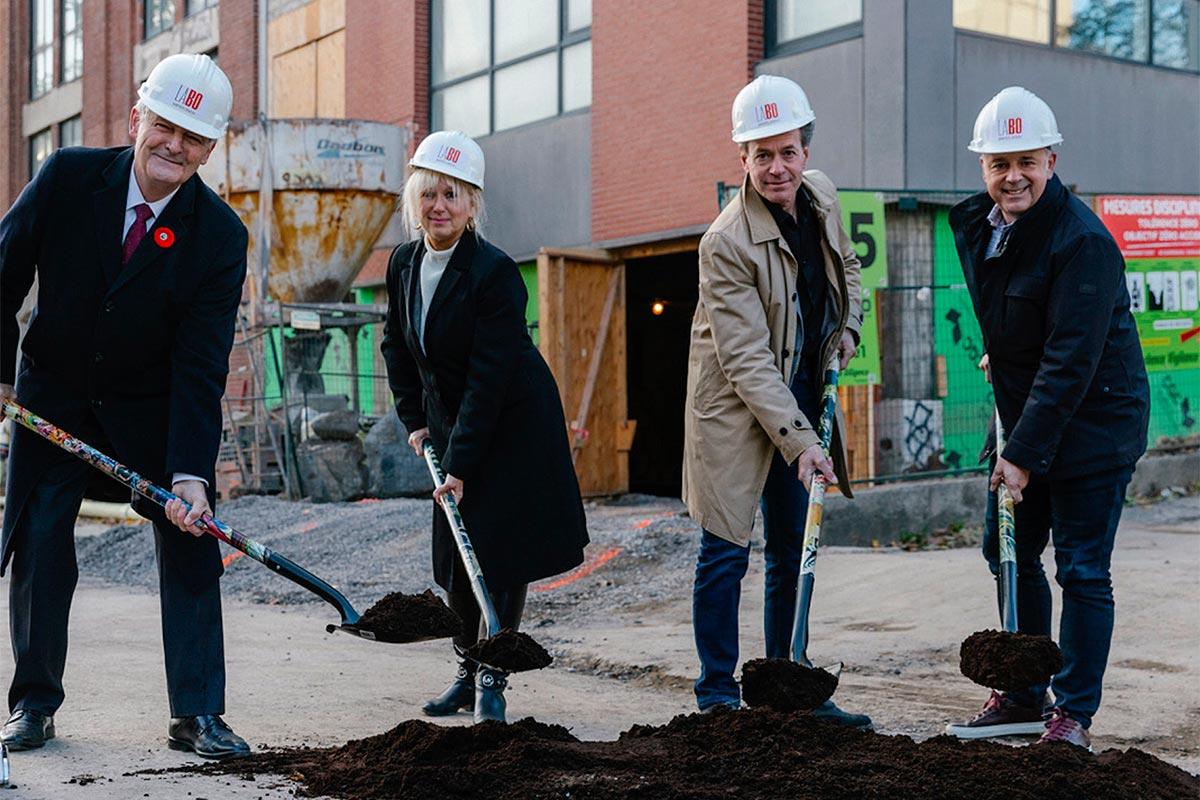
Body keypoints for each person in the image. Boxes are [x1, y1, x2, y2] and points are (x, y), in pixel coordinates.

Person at [0, 54, 249, 758]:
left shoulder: (221, 237)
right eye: (166, 125)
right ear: (138, 118)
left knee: (192, 539)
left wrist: (190, 473)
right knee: (43, 547)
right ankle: (34, 705)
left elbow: (201, 363)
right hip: (53, 397)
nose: (175, 145)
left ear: (210, 149)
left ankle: (197, 713)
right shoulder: (68, 178)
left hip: (152, 410)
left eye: (194, 138)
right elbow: (2, 274)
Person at [944, 87, 1149, 750]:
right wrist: (999, 354)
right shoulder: (984, 225)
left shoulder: (1082, 241)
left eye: (1027, 160)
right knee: (1006, 551)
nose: (1013, 176)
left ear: (1052, 160)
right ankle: (1024, 695)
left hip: (1096, 420)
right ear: (983, 166)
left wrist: (1023, 454)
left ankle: (1072, 716)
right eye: (1000, 162)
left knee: (1082, 567)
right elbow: (1017, 315)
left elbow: (1071, 358)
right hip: (1031, 409)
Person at [380, 130, 589, 724]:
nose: (439, 206)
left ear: (472, 204)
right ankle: (466, 671)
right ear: (413, 201)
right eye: (428, 195)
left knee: (498, 555)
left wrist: (463, 463)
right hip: (454, 421)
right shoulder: (403, 263)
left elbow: (489, 377)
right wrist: (416, 420)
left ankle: (493, 681)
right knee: (455, 555)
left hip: (513, 424)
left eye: (452, 194)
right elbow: (397, 345)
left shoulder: (495, 273)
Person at [681, 75, 870, 727]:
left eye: (787, 150)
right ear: (742, 160)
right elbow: (744, 360)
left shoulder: (821, 198)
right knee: (726, 549)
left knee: (795, 545)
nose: (777, 166)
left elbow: (848, 269)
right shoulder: (725, 242)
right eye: (761, 154)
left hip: (801, 394)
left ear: (805, 150)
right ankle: (715, 696)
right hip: (735, 409)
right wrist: (802, 442)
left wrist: (847, 330)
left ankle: (783, 688)